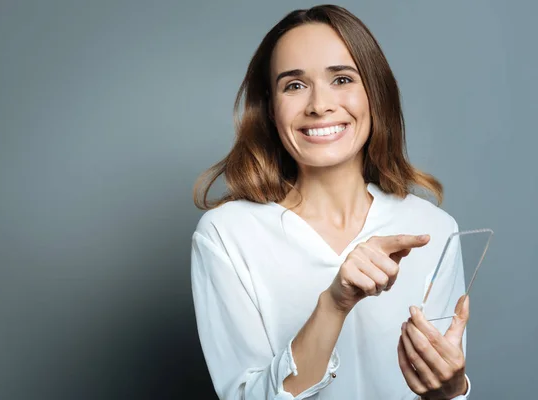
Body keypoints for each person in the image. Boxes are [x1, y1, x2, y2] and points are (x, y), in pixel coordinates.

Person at [190, 5, 471, 400]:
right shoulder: (227, 235)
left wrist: (452, 389)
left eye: (341, 79)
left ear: (375, 94)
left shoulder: (434, 228)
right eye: (294, 85)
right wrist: (334, 304)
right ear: (271, 109)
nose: (319, 105)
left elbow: (440, 390)